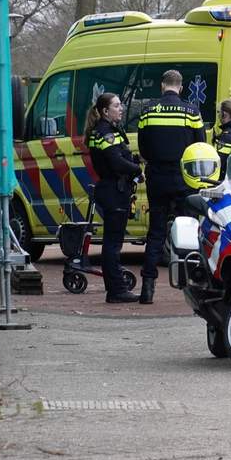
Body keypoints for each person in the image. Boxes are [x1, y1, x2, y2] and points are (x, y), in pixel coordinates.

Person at [136, 69, 205, 304]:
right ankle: (194, 284)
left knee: (156, 233)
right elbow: (200, 147)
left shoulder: (147, 111)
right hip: (184, 178)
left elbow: (143, 148)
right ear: (181, 87)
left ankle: (147, 288)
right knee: (190, 231)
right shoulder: (191, 111)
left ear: (162, 86)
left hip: (157, 177)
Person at [85, 93, 143, 304]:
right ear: (104, 111)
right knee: (113, 244)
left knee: (112, 242)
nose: (121, 109)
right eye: (117, 106)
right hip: (114, 191)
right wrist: (137, 169)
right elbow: (116, 162)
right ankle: (117, 290)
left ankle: (116, 288)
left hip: (113, 190)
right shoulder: (104, 133)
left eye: (121, 105)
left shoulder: (105, 131)